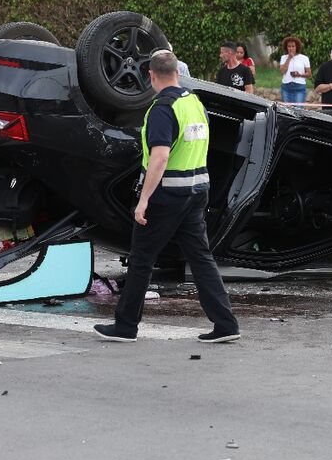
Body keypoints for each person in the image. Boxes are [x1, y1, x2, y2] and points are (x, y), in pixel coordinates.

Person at [93, 50, 240, 344]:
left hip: (168, 195)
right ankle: (225, 324)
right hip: (197, 191)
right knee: (200, 259)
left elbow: (160, 158)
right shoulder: (193, 102)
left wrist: (144, 199)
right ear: (177, 72)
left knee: (142, 260)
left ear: (150, 75)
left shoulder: (163, 108)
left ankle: (125, 327)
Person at [278, 36, 311, 103]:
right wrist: (289, 58)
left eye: (293, 46)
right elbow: (282, 71)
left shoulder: (304, 58)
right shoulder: (284, 57)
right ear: (286, 47)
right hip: (286, 87)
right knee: (287, 111)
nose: (291, 48)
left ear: (297, 47)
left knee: (298, 111)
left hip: (299, 87)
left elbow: (309, 73)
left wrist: (300, 75)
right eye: (289, 46)